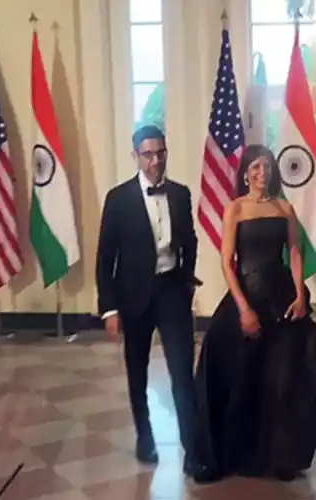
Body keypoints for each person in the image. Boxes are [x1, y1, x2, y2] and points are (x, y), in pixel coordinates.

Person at [193, 144, 316, 483]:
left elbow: (293, 252)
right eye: (255, 167)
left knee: (283, 378)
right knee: (233, 369)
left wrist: (299, 295)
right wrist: (243, 308)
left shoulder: (284, 207)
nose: (261, 173)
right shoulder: (235, 209)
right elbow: (226, 261)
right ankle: (230, 452)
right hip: (247, 293)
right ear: (245, 172)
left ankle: (281, 455)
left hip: (281, 296)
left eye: (266, 166)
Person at [95, 125, 202, 480]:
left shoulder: (180, 194)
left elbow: (190, 241)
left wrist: (187, 281)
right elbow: (105, 257)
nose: (155, 161)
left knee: (182, 375)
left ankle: (193, 449)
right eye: (148, 154)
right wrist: (109, 308)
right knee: (137, 372)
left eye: (160, 153)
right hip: (133, 298)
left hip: (172, 292)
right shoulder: (118, 198)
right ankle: (145, 436)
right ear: (136, 156)